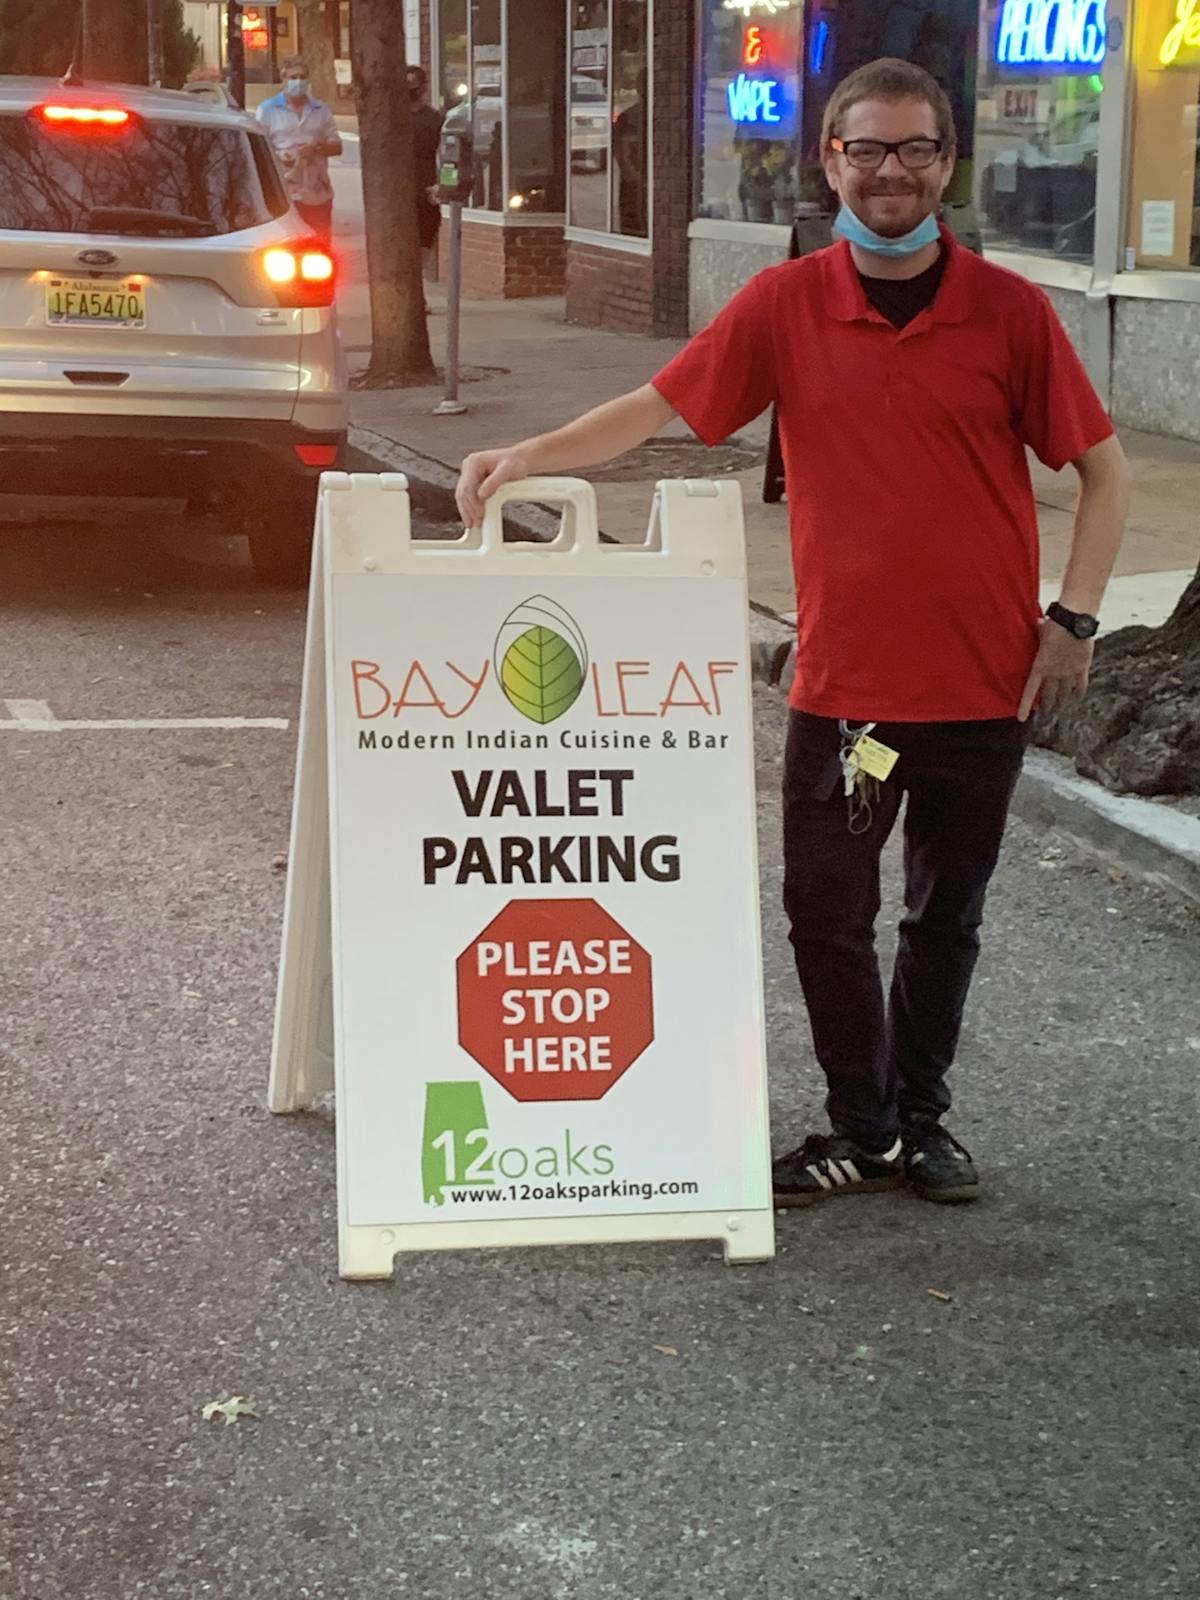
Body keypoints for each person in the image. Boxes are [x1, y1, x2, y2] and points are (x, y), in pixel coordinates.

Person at [455, 59, 1132, 1209]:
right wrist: (526, 453)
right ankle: (858, 1125)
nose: (891, 171)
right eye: (866, 149)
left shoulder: (1011, 314)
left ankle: (921, 1121)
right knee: (827, 912)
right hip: (849, 696)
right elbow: (656, 407)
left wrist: (1072, 620)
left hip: (981, 693)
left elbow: (1104, 475)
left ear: (947, 162)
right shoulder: (787, 305)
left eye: (915, 148)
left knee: (943, 917)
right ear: (829, 162)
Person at [256, 56, 342, 239]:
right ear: (283, 79)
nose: (298, 82)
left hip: (317, 193)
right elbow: (259, 152)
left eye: (303, 77)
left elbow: (337, 146)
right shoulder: (268, 110)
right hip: (283, 194)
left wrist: (318, 148)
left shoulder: (321, 110)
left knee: (321, 247)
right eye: (293, 77)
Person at [407, 66, 446, 269]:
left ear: (422, 88)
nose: (410, 90)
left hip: (426, 191)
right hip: (401, 193)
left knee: (425, 242)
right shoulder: (393, 119)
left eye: (413, 84)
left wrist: (443, 185)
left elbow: (446, 157)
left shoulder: (434, 119)